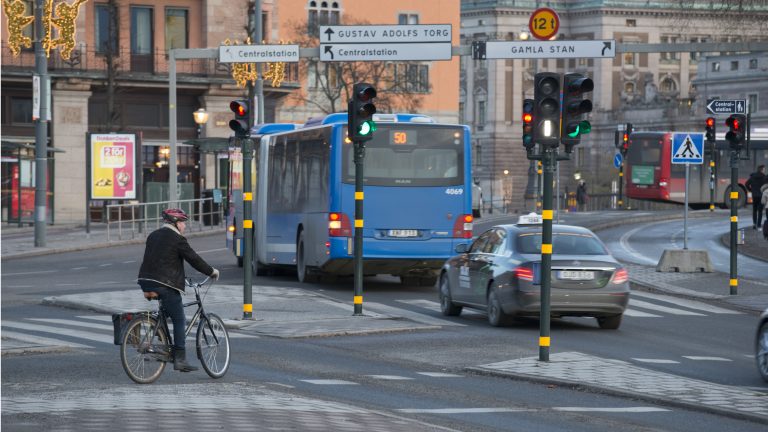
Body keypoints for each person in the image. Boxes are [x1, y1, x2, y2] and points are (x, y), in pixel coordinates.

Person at [137, 208, 220, 372]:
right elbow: (194, 259)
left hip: (145, 281)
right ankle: (180, 359)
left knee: (168, 310)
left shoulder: (153, 235)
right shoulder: (177, 239)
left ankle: (159, 340)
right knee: (179, 318)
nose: (184, 226)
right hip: (164, 283)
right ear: (175, 223)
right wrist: (211, 271)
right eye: (183, 222)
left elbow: (161, 259)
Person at [745, 165, 766, 229]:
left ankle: (754, 224)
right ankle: (759, 225)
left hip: (754, 196)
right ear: (762, 170)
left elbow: (746, 184)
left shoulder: (753, 177)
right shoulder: (764, 177)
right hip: (761, 196)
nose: (764, 171)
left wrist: (751, 190)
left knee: (754, 210)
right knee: (760, 211)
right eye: (764, 169)